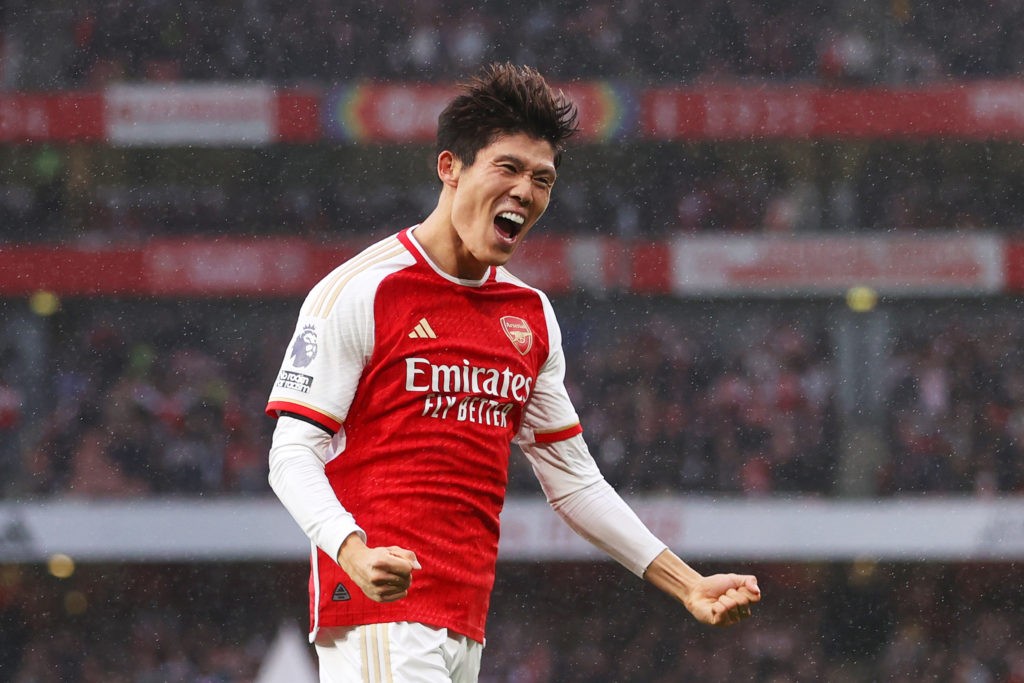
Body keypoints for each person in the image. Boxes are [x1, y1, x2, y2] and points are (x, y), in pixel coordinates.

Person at [266, 63, 760, 682]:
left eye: (543, 179)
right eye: (508, 168)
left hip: (464, 619)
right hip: (378, 613)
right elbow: (291, 454)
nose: (526, 191)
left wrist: (687, 585)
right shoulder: (363, 292)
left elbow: (575, 484)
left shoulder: (528, 315)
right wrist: (351, 549)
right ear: (450, 168)